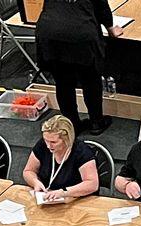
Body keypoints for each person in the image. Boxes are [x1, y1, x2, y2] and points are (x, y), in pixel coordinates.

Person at [35, 0, 124, 135]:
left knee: (62, 82)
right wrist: (110, 28)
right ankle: (96, 122)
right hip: (81, 34)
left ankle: (71, 126)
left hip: (50, 31)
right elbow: (101, 7)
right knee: (91, 80)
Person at [22, 115, 99, 202]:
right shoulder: (42, 145)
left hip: (77, 199)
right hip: (49, 197)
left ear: (67, 140)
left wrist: (64, 192)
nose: (48, 146)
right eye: (46, 140)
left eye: (53, 142)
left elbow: (92, 184)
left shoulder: (82, 152)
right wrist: (35, 182)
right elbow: (28, 171)